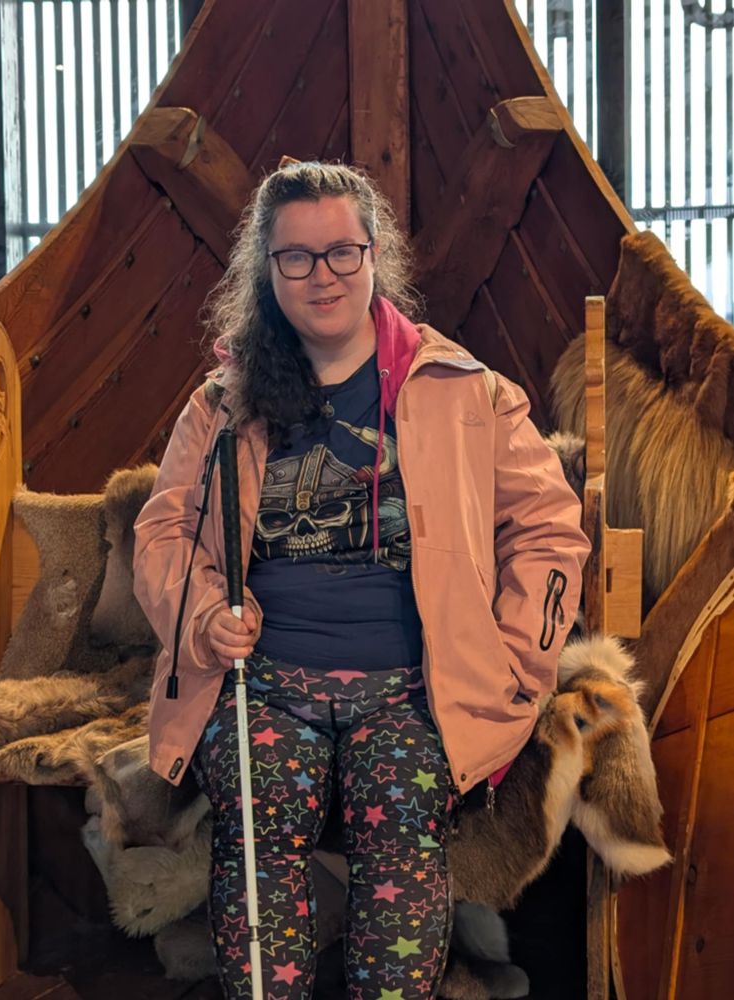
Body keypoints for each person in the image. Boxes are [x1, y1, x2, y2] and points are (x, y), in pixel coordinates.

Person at [132, 160, 591, 1000]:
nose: (323, 275)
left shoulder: (464, 389)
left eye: (342, 251)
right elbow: (162, 530)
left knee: (400, 809)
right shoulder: (222, 402)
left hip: (410, 685)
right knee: (256, 803)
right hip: (259, 681)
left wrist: (516, 658)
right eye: (296, 258)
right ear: (266, 272)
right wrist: (202, 618)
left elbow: (549, 528)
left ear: (374, 255)